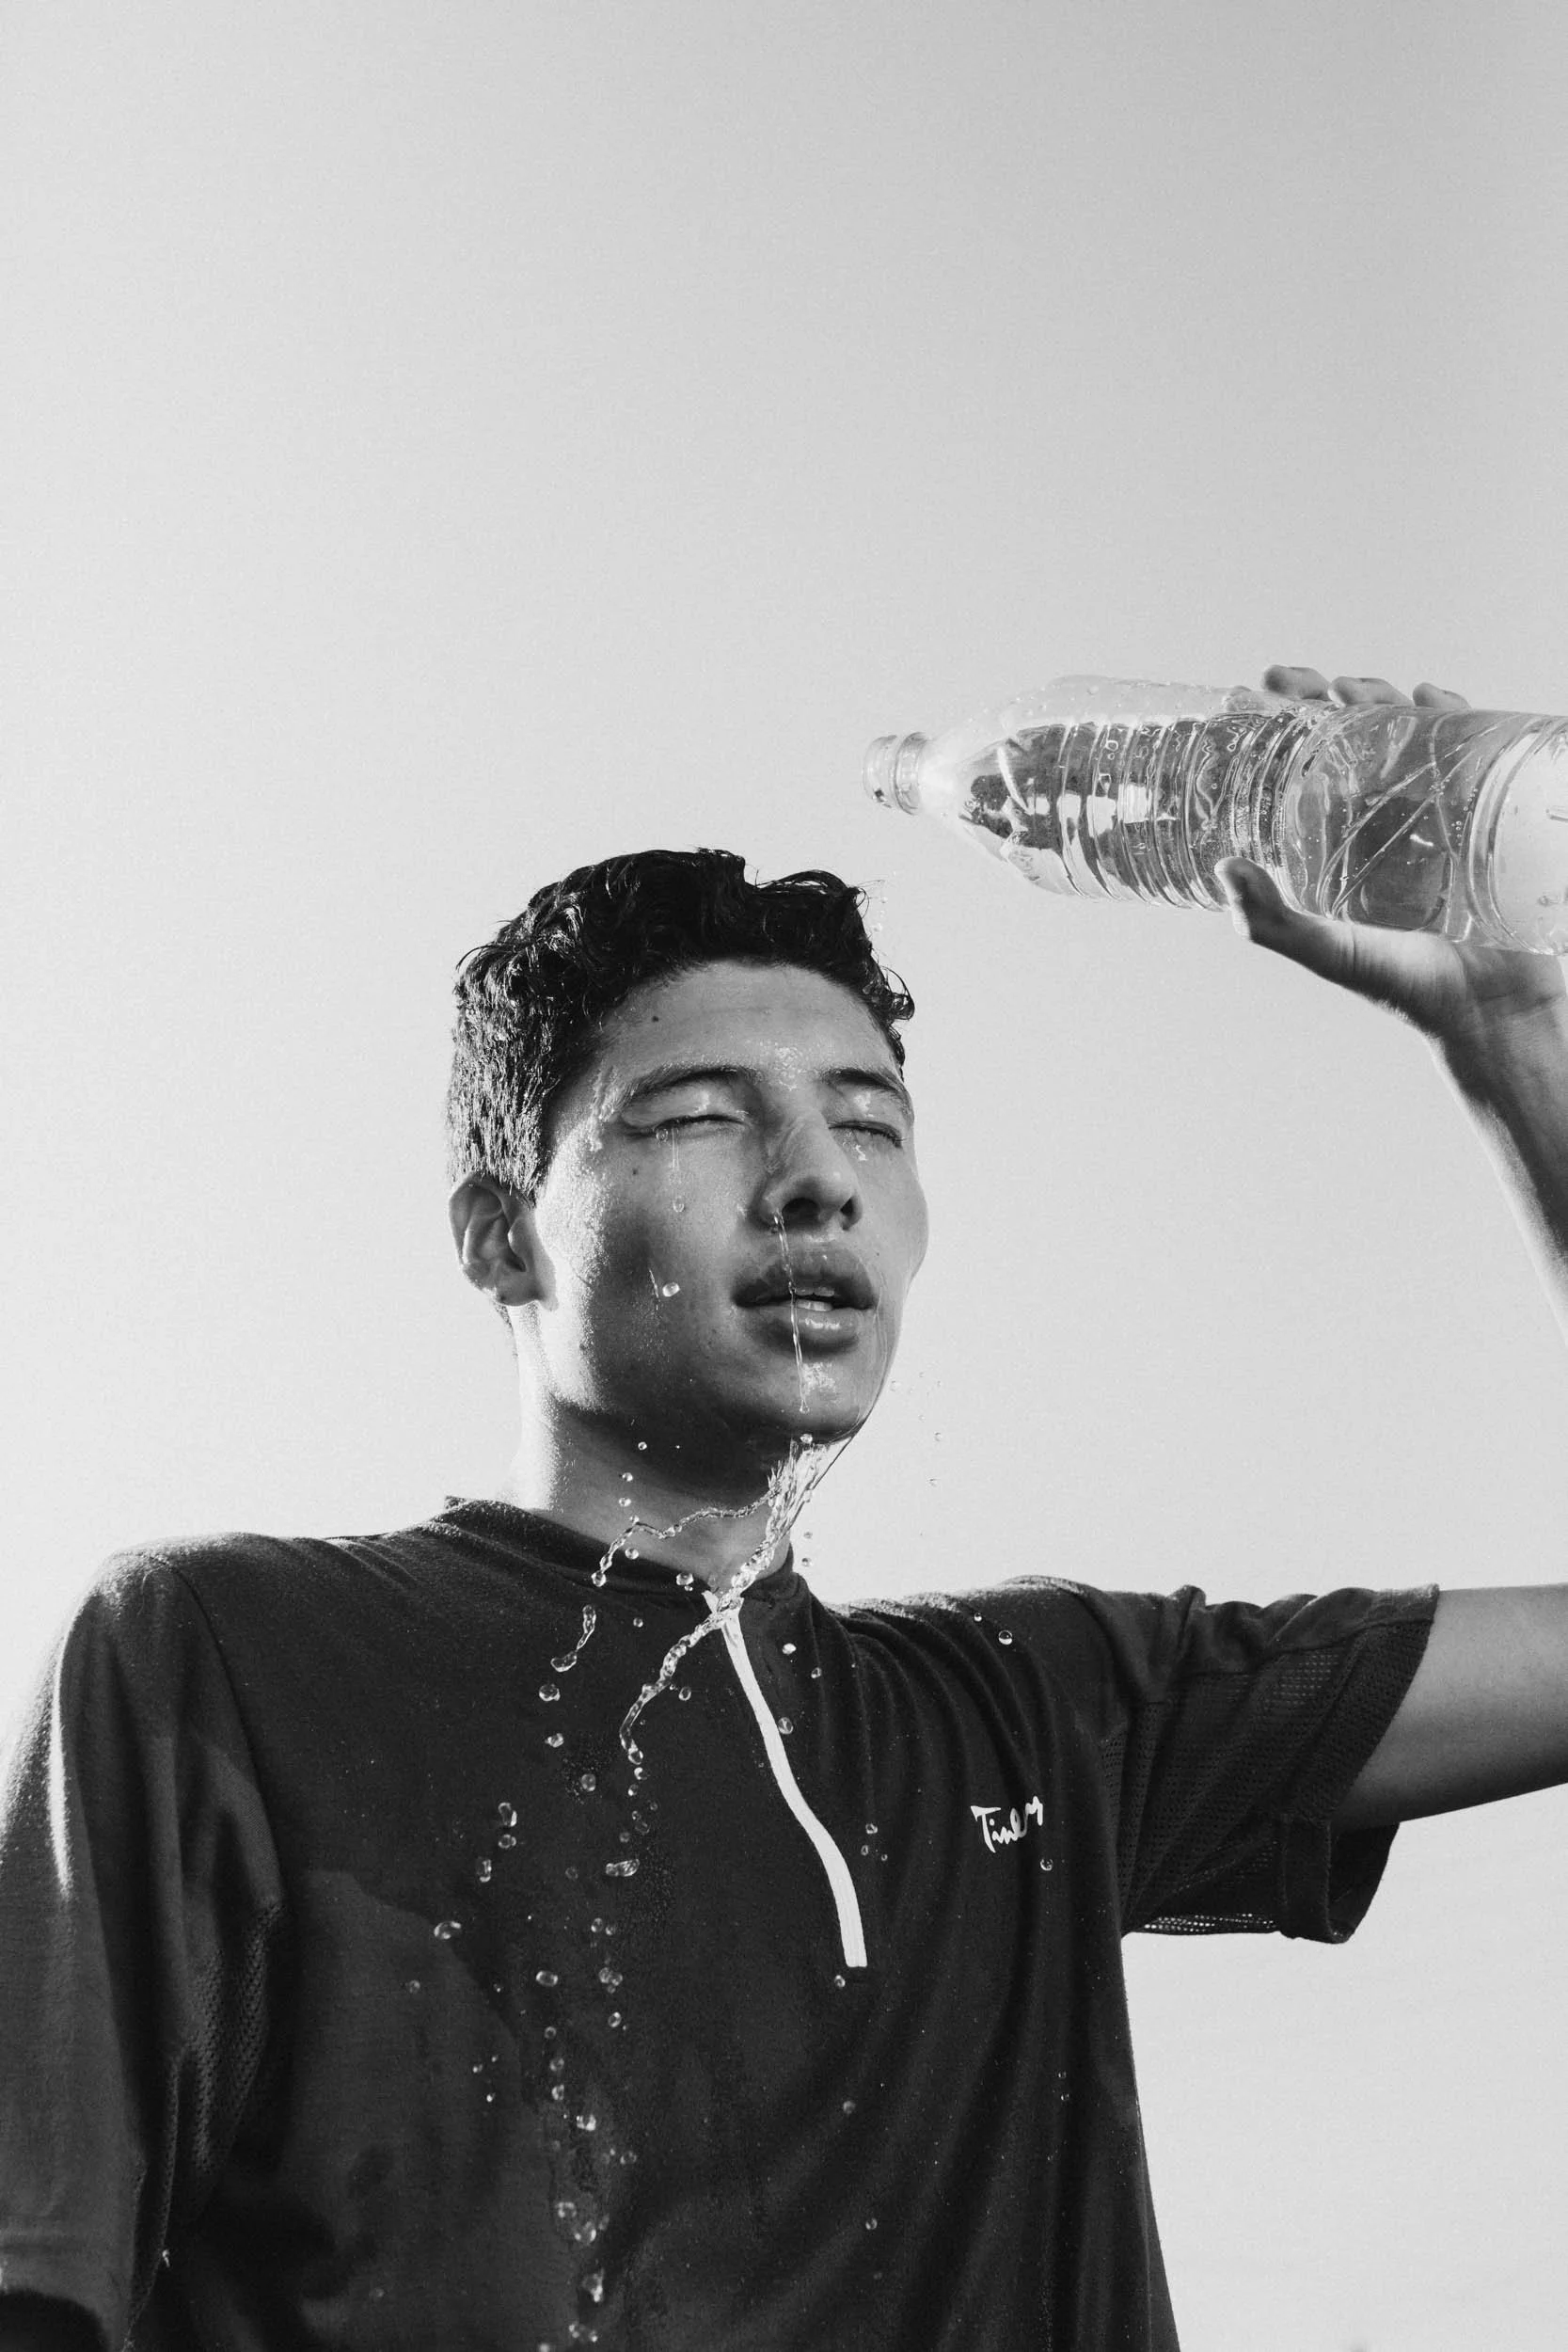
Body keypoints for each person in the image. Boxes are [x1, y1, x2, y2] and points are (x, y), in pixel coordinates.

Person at [4, 666, 1568, 2352]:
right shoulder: (230, 1651)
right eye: (698, 1114)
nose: (817, 1175)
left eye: (870, 1124)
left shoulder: (1040, 1716)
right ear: (497, 1234)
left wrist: (1514, 1046)